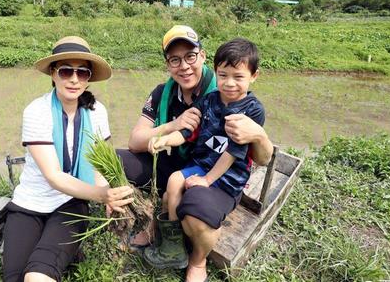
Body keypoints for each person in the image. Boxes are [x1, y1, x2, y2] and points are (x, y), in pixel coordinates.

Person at [117, 25, 273, 282]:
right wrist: (168, 130)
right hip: (182, 163)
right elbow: (139, 140)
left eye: (190, 56)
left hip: (215, 171)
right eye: (175, 59)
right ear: (168, 64)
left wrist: (257, 136)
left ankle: (195, 260)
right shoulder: (165, 94)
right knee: (133, 165)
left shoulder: (224, 95)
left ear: (202, 56)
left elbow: (255, 156)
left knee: (191, 207)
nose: (184, 65)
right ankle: (169, 239)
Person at [1, 36, 134, 282]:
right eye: (66, 71)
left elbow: (100, 162)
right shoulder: (37, 111)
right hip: (30, 204)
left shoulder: (97, 112)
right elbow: (53, 175)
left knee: (38, 277)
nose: (74, 79)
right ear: (53, 73)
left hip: (71, 202)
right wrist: (101, 195)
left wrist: (106, 192)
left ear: (89, 77)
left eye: (82, 73)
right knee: (14, 278)